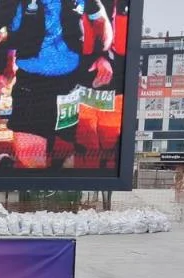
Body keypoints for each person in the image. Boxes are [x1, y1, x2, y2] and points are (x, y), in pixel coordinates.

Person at [0, 0, 113, 167]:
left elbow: (101, 21)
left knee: (64, 162)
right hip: (31, 88)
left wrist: (102, 55)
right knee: (33, 166)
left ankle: (4, 166)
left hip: (69, 86)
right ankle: (4, 167)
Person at [73, 0, 127, 169]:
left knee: (112, 152)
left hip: (115, 93)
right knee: (85, 150)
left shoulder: (126, 6)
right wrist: (96, 59)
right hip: (79, 88)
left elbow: (128, 47)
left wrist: (106, 60)